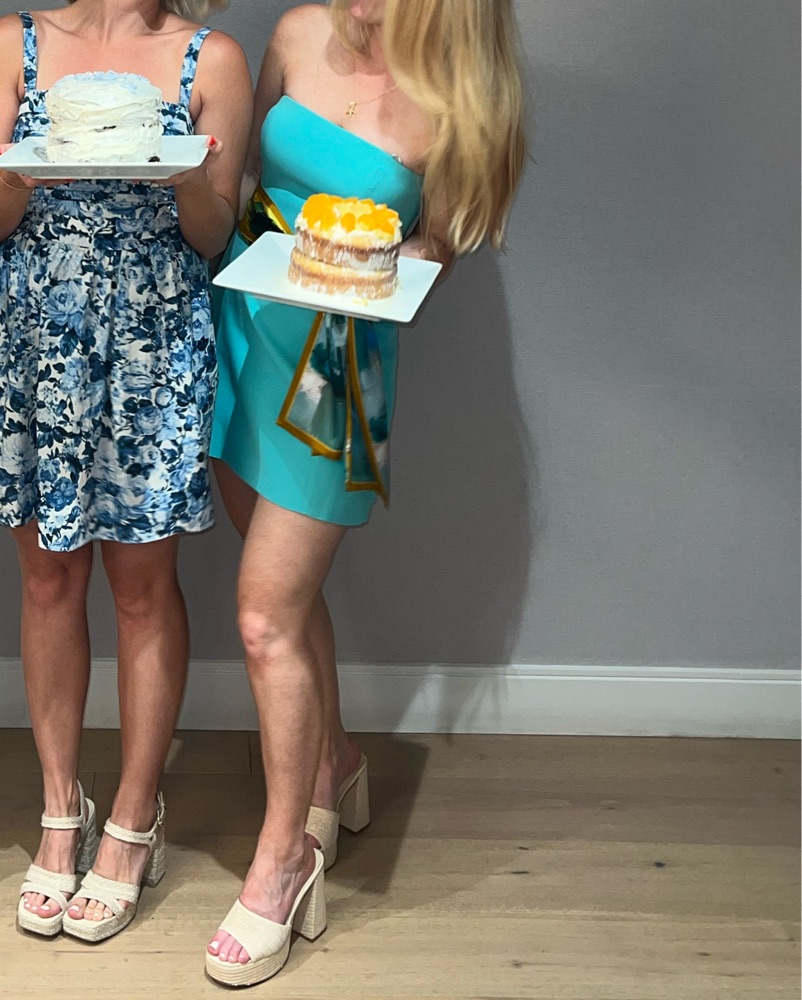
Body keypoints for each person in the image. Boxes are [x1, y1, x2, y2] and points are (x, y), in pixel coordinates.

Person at [206, 0, 526, 986]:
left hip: (332, 371)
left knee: (263, 614)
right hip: (240, 326)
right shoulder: (298, 35)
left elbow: (439, 250)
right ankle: (336, 763)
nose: (357, 6)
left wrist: (402, 261)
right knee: (284, 596)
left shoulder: (463, 100)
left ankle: (282, 864)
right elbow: (243, 181)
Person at [0, 0, 251, 942]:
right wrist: (20, 172)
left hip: (153, 336)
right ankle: (60, 810)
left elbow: (213, 235)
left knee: (143, 589)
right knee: (47, 578)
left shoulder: (210, 58)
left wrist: (186, 176)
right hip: (40, 334)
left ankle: (136, 819)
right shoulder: (13, 44)